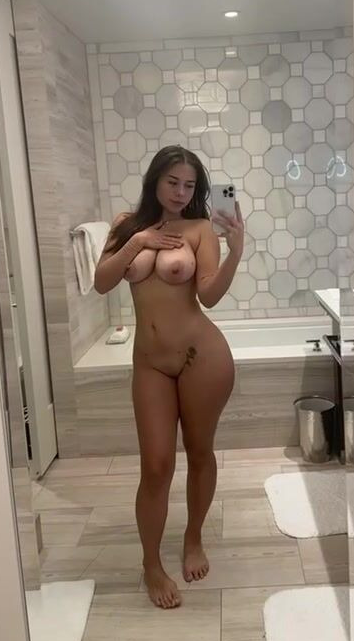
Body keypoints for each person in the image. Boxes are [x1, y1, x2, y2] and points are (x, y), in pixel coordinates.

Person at [92, 145, 246, 609]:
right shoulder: (126, 224)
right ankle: (151, 564)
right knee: (156, 465)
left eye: (189, 185)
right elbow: (102, 282)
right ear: (155, 180)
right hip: (151, 363)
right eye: (172, 182)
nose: (181, 192)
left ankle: (193, 536)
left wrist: (236, 251)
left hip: (202, 357)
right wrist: (138, 242)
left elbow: (209, 296)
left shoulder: (200, 229)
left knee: (199, 452)